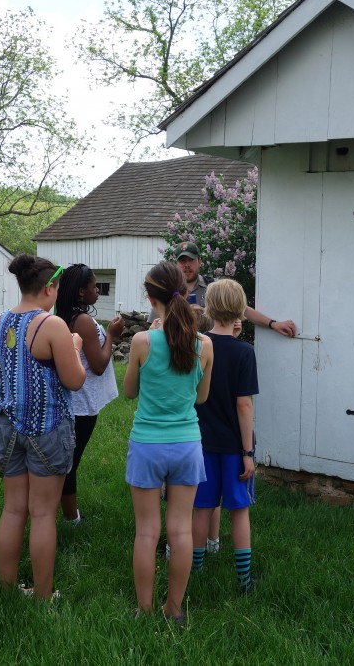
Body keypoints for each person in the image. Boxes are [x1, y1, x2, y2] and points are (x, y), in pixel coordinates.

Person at [0, 254, 85, 601]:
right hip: (47, 426)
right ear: (50, 288)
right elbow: (75, 380)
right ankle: (43, 594)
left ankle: (7, 587)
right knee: (42, 513)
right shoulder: (52, 326)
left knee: (13, 508)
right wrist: (75, 347)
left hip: (6, 428)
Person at [124, 261, 213, 624]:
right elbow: (200, 398)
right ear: (186, 291)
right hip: (187, 444)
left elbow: (129, 392)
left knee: (147, 530)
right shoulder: (204, 344)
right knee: (181, 529)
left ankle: (143, 610)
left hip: (147, 444)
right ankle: (173, 610)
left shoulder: (142, 341)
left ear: (150, 297)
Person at [190, 279, 258, 593]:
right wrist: (248, 452)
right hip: (234, 448)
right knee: (239, 510)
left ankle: (196, 570)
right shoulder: (244, 352)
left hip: (200, 442)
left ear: (210, 307)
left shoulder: (196, 346)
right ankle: (244, 580)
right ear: (239, 309)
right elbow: (243, 404)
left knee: (202, 506)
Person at [54, 263, 124, 525]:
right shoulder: (82, 321)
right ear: (81, 292)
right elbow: (99, 363)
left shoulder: (64, 316)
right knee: (71, 461)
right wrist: (112, 336)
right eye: (94, 285)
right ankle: (72, 518)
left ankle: (61, 511)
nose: (97, 290)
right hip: (81, 404)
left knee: (66, 459)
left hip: (71, 400)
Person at [168, 241, 296, 337]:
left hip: (215, 352)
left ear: (199, 261)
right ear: (176, 264)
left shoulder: (214, 287)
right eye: (182, 261)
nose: (187, 265)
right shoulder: (168, 291)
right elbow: (154, 326)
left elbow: (243, 308)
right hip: (180, 356)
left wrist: (273, 324)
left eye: (191, 260)